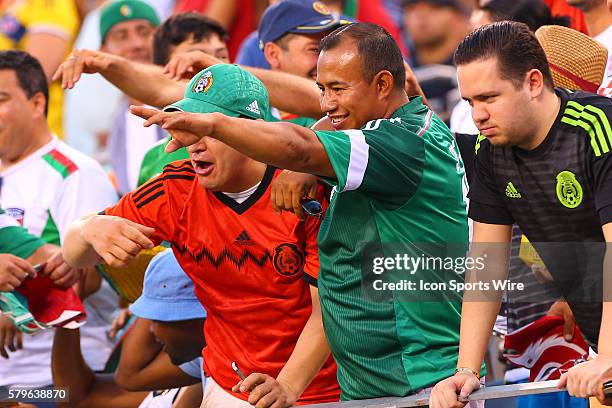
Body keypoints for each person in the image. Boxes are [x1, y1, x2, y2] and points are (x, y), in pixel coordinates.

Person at [131, 23, 473, 402]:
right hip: (373, 383)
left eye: (338, 89)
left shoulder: (401, 144)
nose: (325, 104)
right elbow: (320, 130)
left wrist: (214, 125)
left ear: (382, 84)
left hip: (421, 382)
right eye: (322, 89)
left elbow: (299, 147)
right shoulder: (393, 124)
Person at [63, 64, 340, 407]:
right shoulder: (174, 189)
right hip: (230, 382)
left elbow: (328, 308)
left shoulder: (302, 190)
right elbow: (75, 254)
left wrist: (287, 386)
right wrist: (89, 230)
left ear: (251, 131)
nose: (193, 145)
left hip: (319, 389)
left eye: (208, 129)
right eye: (188, 128)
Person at [427, 21, 612, 408]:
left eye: (489, 97)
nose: (477, 115)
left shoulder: (598, 128)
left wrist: (609, 357)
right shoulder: (490, 152)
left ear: (532, 82)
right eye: (469, 102)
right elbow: (486, 266)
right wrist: (466, 371)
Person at [0, 50, 119, 390]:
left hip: (53, 378)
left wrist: (15, 304)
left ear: (38, 104)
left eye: (1, 99)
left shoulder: (76, 173)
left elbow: (91, 275)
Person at [52, 249, 206, 408]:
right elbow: (79, 398)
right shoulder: (197, 363)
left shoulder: (209, 371)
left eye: (155, 318)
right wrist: (69, 310)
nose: (151, 330)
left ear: (189, 319)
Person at [138, 12, 230, 186]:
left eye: (222, 56)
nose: (213, 68)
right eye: (197, 59)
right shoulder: (152, 158)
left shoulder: (260, 131)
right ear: (161, 71)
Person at [98, 0, 162, 194]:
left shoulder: (189, 103)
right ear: (103, 52)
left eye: (144, 32)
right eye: (121, 36)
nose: (136, 44)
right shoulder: (119, 122)